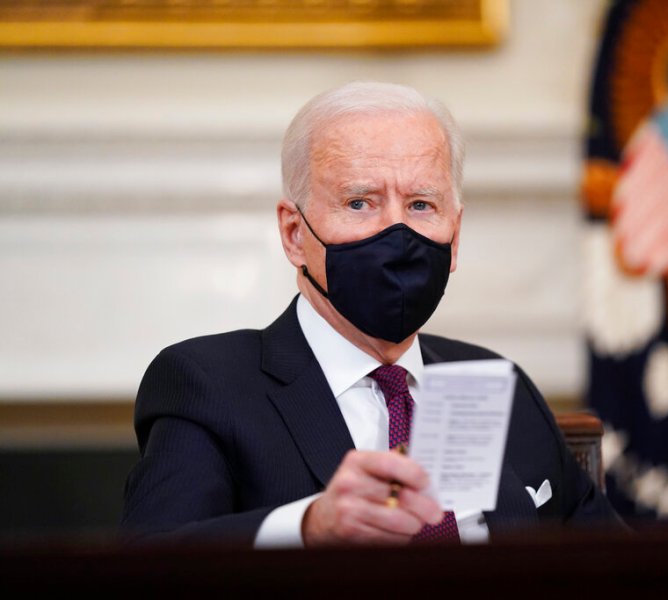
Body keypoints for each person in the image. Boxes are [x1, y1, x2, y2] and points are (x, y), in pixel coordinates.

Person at [121, 81, 620, 548]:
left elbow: (624, 569)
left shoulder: (496, 384)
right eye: (360, 203)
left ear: (456, 234)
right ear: (295, 234)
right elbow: (149, 565)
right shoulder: (208, 384)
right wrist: (309, 527)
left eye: (422, 204)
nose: (397, 232)